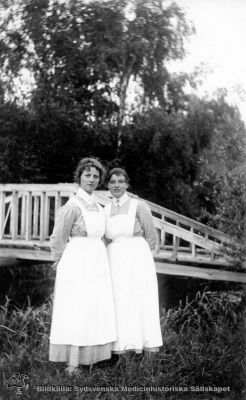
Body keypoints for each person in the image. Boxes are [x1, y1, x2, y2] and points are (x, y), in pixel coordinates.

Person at [49, 157, 117, 375]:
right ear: (79, 177)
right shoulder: (72, 206)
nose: (92, 179)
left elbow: (104, 235)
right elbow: (58, 238)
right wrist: (59, 262)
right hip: (77, 260)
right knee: (78, 307)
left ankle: (94, 357)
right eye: (87, 175)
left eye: (96, 176)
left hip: (96, 259)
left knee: (95, 306)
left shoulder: (98, 205)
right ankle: (73, 363)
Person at [104, 167, 163, 355]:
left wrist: (144, 260)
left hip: (137, 256)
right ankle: (122, 347)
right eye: (112, 182)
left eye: (121, 181)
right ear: (107, 185)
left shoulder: (139, 206)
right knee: (119, 300)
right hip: (115, 258)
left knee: (140, 298)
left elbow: (152, 236)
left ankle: (146, 344)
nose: (117, 185)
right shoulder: (105, 209)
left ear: (127, 184)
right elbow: (104, 237)